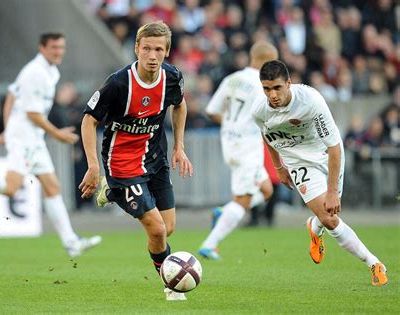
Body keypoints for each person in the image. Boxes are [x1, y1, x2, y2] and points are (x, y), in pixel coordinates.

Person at [0, 33, 101, 258]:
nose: (58, 52)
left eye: (61, 47)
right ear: (42, 48)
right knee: (11, 188)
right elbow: (32, 113)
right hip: (24, 137)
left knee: (52, 187)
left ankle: (71, 241)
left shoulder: (51, 71)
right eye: (54, 47)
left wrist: (6, 126)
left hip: (31, 135)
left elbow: (12, 94)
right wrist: (57, 134)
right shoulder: (34, 72)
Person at [78, 21, 193, 301]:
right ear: (136, 49)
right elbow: (88, 120)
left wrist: (179, 146)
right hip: (122, 163)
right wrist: (94, 166)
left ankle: (112, 191)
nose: (152, 56)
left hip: (155, 157)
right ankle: (171, 284)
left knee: (168, 228)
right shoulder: (118, 83)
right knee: (156, 229)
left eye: (158, 50)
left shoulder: (173, 77)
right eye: (146, 49)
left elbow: (179, 105)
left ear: (166, 51)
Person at [251, 60, 388, 286]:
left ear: (289, 83)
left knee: (328, 209)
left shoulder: (311, 101)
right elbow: (266, 136)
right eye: (266, 89)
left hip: (327, 154)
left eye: (277, 87)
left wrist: (333, 191)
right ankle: (374, 263)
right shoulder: (259, 111)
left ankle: (314, 228)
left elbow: (334, 147)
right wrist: (279, 167)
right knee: (330, 218)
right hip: (298, 162)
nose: (272, 94)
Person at [198, 41, 278, 260]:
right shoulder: (264, 86)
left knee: (266, 190)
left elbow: (212, 110)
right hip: (247, 147)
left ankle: (225, 212)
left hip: (230, 143)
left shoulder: (231, 79)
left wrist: (233, 124)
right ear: (267, 60)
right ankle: (209, 244)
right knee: (242, 200)